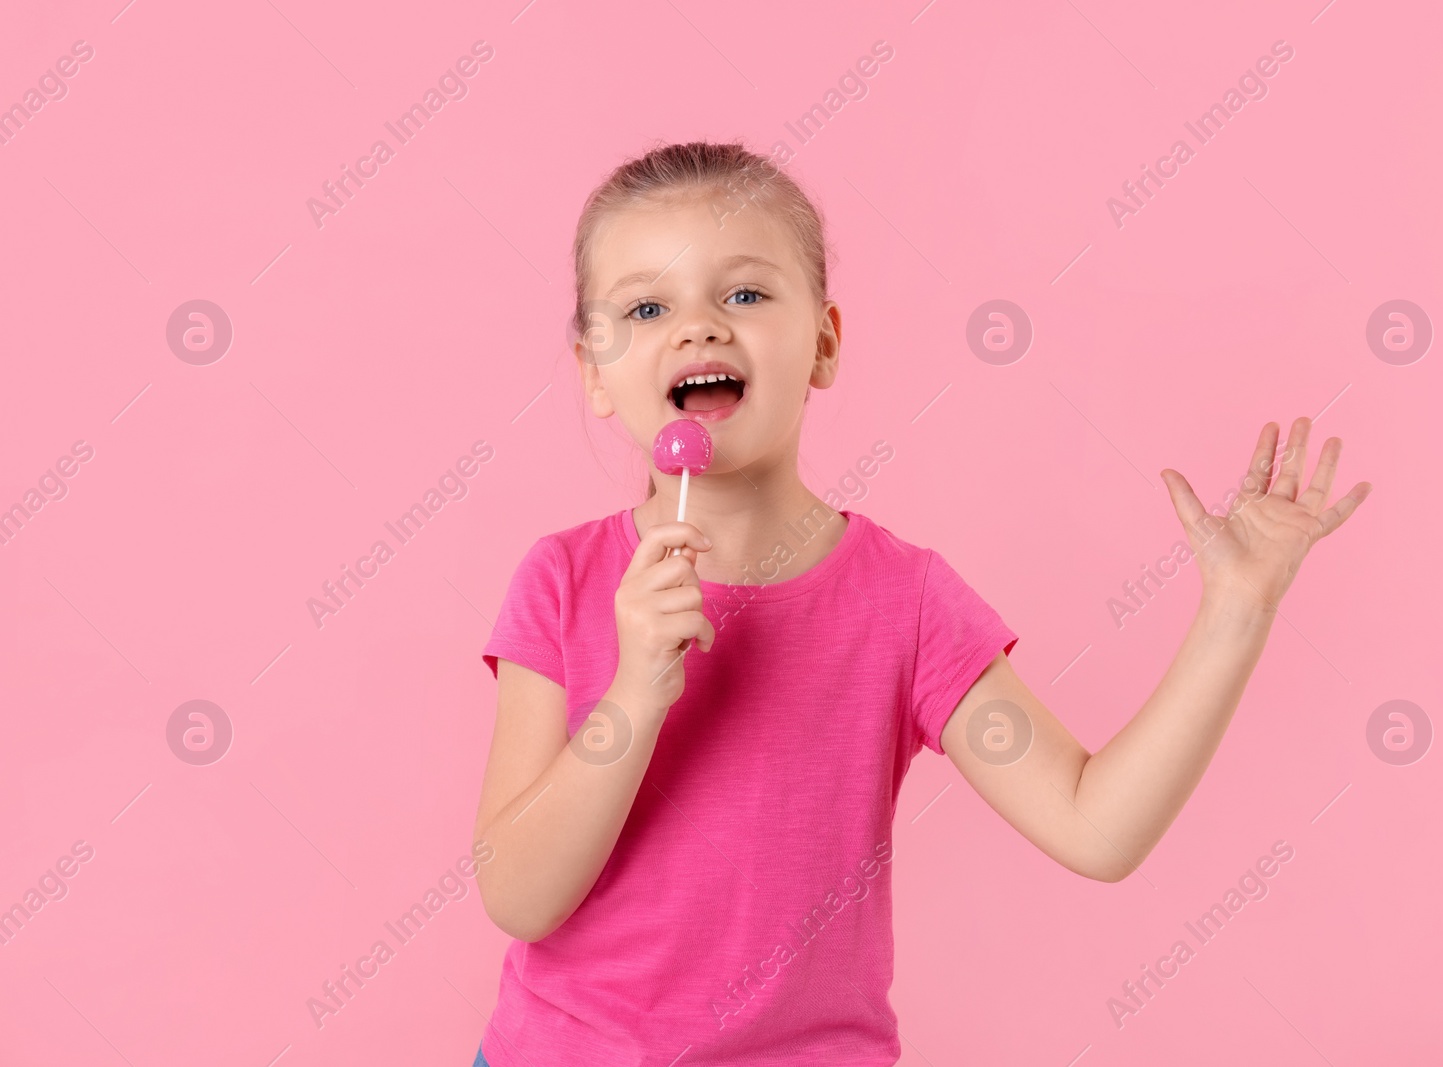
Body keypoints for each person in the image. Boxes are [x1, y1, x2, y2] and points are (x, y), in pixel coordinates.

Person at [467, 141, 1371, 1066]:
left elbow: (1094, 824)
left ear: (823, 341)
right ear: (593, 371)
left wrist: (1237, 605)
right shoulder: (563, 582)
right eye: (647, 307)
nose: (697, 329)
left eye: (743, 294)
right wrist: (632, 696)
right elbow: (518, 896)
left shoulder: (906, 602)